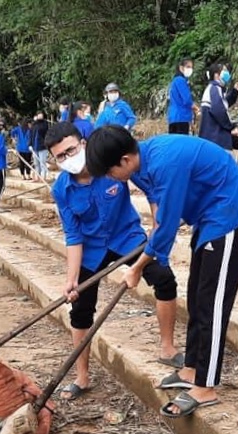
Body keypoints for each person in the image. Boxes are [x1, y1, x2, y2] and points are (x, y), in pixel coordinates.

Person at [85, 126, 238, 418]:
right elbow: (158, 212)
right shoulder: (141, 162)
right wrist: (155, 229)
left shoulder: (166, 163)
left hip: (227, 214)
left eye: (111, 172)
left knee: (212, 305)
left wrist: (138, 268)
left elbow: (167, 226)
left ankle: (206, 385)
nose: (111, 179)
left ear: (124, 160)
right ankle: (191, 369)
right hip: (207, 217)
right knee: (197, 297)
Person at [46, 122, 182, 401]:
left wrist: (158, 222)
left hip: (127, 238)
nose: (68, 158)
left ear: (83, 143)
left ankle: (167, 348)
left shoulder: (110, 164)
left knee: (164, 278)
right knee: (80, 307)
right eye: (60, 156)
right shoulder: (62, 190)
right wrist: (71, 279)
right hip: (91, 249)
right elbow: (73, 235)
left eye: (71, 149)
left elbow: (149, 185)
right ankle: (82, 377)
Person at [198, 63, 238, 151]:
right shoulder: (215, 88)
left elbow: (224, 104)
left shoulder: (215, 89)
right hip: (216, 138)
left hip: (213, 138)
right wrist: (231, 127)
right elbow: (218, 110)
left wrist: (235, 91)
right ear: (216, 75)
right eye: (224, 71)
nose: (227, 73)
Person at [167, 58, 199, 134]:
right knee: (182, 143)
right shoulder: (181, 80)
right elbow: (187, 100)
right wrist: (196, 108)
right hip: (181, 117)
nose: (190, 69)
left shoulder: (175, 81)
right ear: (181, 67)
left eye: (191, 67)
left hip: (174, 117)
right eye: (188, 67)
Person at [30, 111, 50, 181]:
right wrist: (30, 144)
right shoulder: (34, 124)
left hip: (42, 146)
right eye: (39, 115)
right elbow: (31, 134)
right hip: (34, 146)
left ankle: (43, 177)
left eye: (41, 115)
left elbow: (46, 133)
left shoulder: (45, 124)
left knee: (42, 162)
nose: (40, 116)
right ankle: (37, 177)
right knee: (36, 163)